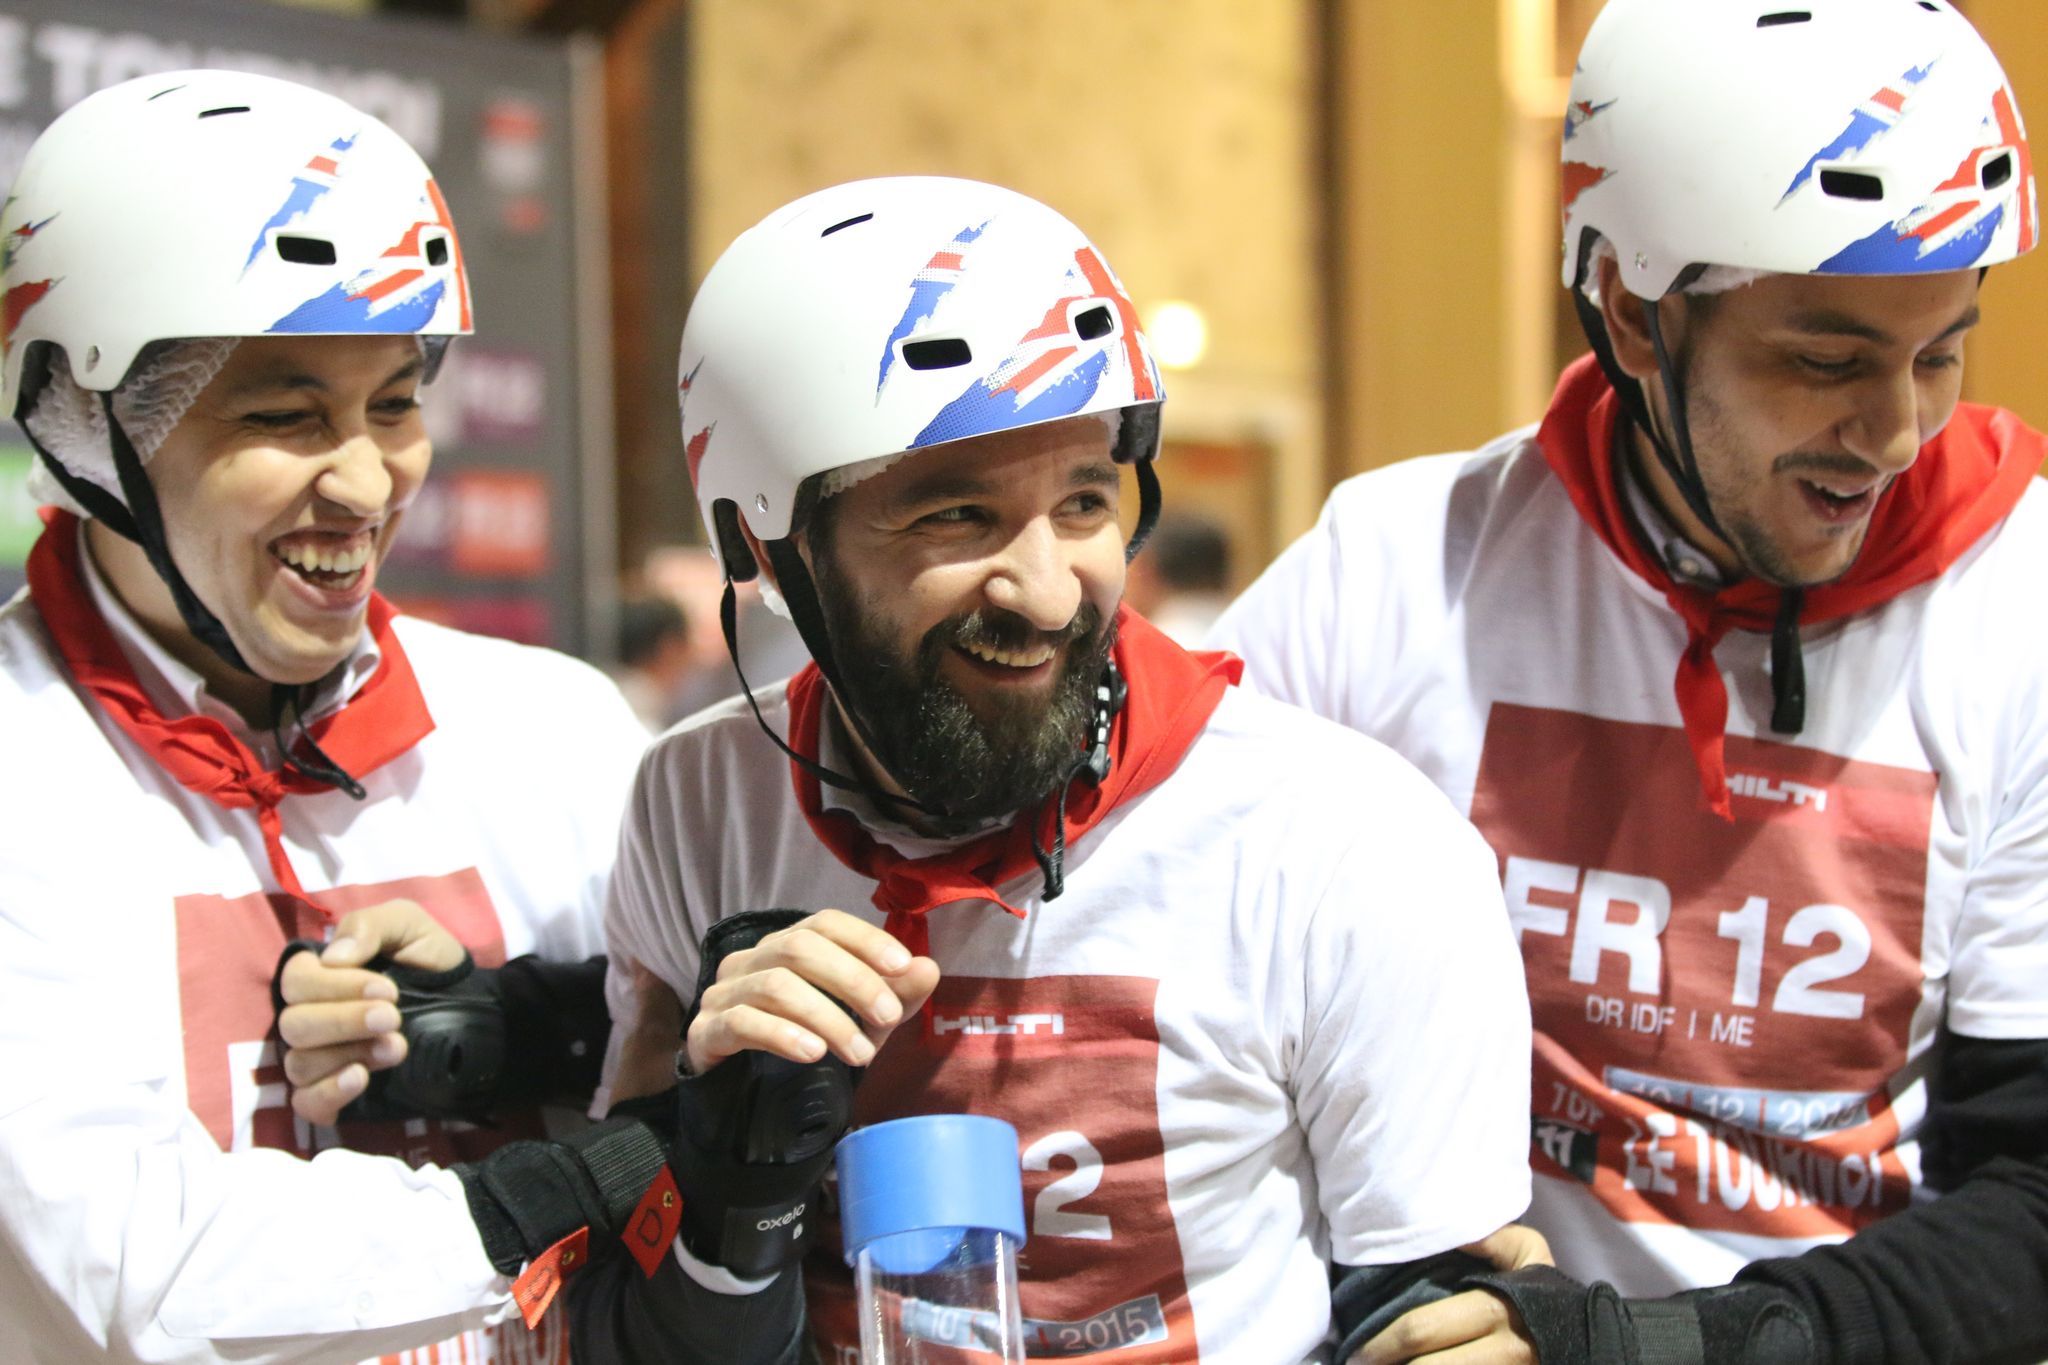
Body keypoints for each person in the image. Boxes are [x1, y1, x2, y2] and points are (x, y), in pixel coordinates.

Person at [582, 174, 1538, 1363]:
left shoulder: (1346, 840)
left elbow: (1445, 1315)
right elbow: (624, 1293)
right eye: (954, 517)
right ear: (764, 548)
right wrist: (719, 1171)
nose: (1043, 595)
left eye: (1083, 502)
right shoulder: (695, 803)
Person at [1212, 2, 2048, 1360]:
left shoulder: (2021, 612)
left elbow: (2035, 1198)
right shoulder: (1397, 569)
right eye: (1825, 360)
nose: (1897, 432)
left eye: (1940, 352)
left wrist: (1653, 1347)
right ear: (1632, 314)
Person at [0, 70, 661, 1364]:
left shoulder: (557, 729)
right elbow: (138, 1273)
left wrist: (550, 1025)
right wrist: (562, 1185)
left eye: (396, 403)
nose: (367, 481)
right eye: (283, 414)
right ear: (86, 429)